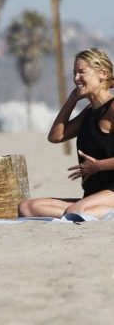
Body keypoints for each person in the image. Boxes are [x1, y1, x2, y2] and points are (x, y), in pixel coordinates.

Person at [19, 47, 114, 219]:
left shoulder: (112, 108)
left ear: (103, 74)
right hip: (94, 193)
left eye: (82, 72)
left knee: (75, 212)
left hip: (112, 191)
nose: (76, 78)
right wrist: (72, 98)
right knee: (27, 207)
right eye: (74, 73)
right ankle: (88, 209)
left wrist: (98, 165)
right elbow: (56, 136)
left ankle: (86, 210)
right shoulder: (89, 111)